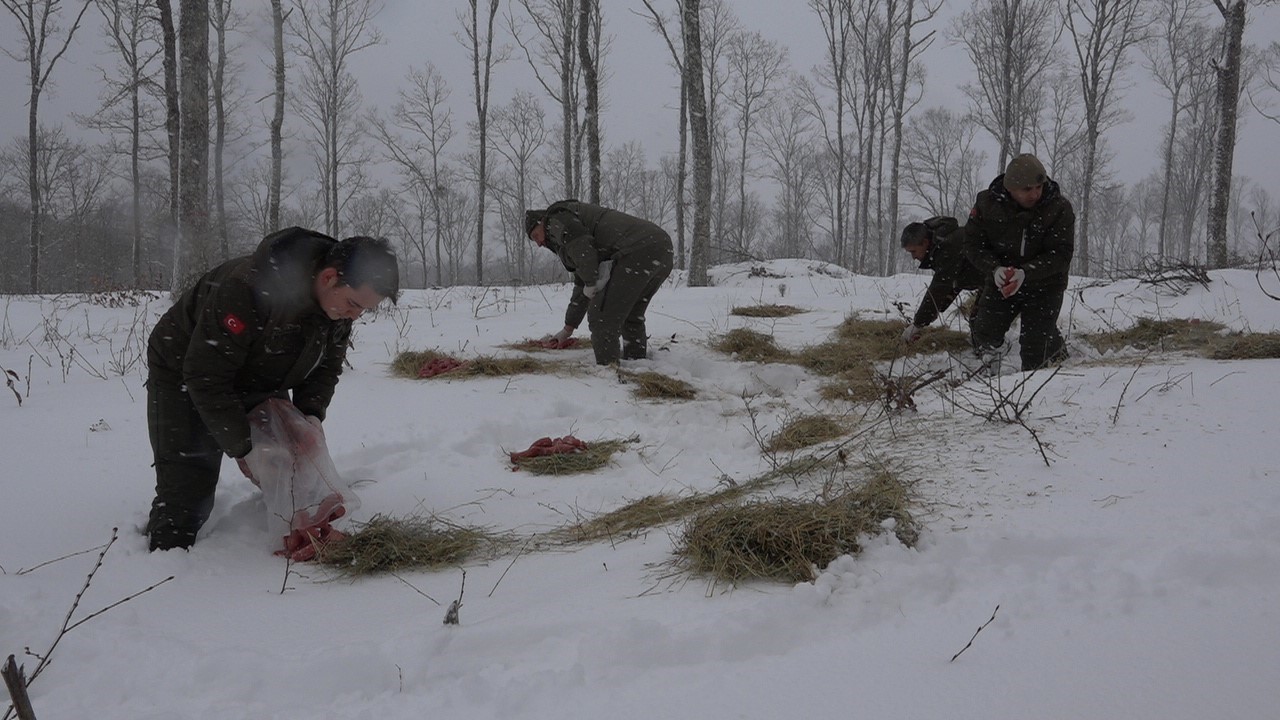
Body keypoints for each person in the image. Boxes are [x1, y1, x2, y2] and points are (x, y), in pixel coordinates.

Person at [144, 227, 399, 551]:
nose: (355, 315)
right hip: (185, 371)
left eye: (363, 309)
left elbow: (326, 368)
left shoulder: (338, 310)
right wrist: (243, 445)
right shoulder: (248, 288)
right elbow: (205, 375)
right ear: (329, 278)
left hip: (260, 371)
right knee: (188, 492)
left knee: (295, 458)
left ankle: (299, 534)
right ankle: (162, 560)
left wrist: (310, 416)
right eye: (353, 304)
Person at [525, 200, 674, 365]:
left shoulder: (555, 219)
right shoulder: (569, 226)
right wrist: (568, 329)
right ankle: (636, 365)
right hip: (660, 248)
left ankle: (608, 372)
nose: (538, 243)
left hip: (637, 251)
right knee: (630, 315)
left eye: (535, 236)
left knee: (602, 318)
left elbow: (583, 250)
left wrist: (590, 282)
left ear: (541, 222)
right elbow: (582, 279)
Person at [963, 153, 1075, 371]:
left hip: (1045, 285)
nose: (1035, 194)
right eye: (1027, 189)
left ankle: (1051, 350)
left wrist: (1026, 272)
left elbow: (1061, 255)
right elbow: (972, 245)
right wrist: (995, 270)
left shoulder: (1059, 208)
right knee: (984, 333)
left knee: (1034, 354)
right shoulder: (986, 204)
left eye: (1039, 187)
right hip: (1003, 282)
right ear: (1010, 188)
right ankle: (1045, 335)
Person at [899, 216, 986, 343]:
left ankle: (990, 356)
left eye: (914, 251)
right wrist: (936, 308)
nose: (913, 257)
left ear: (925, 242)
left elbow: (940, 286)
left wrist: (917, 324)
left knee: (981, 325)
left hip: (1000, 276)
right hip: (989, 278)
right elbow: (953, 281)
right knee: (978, 323)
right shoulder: (940, 245)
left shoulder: (948, 246)